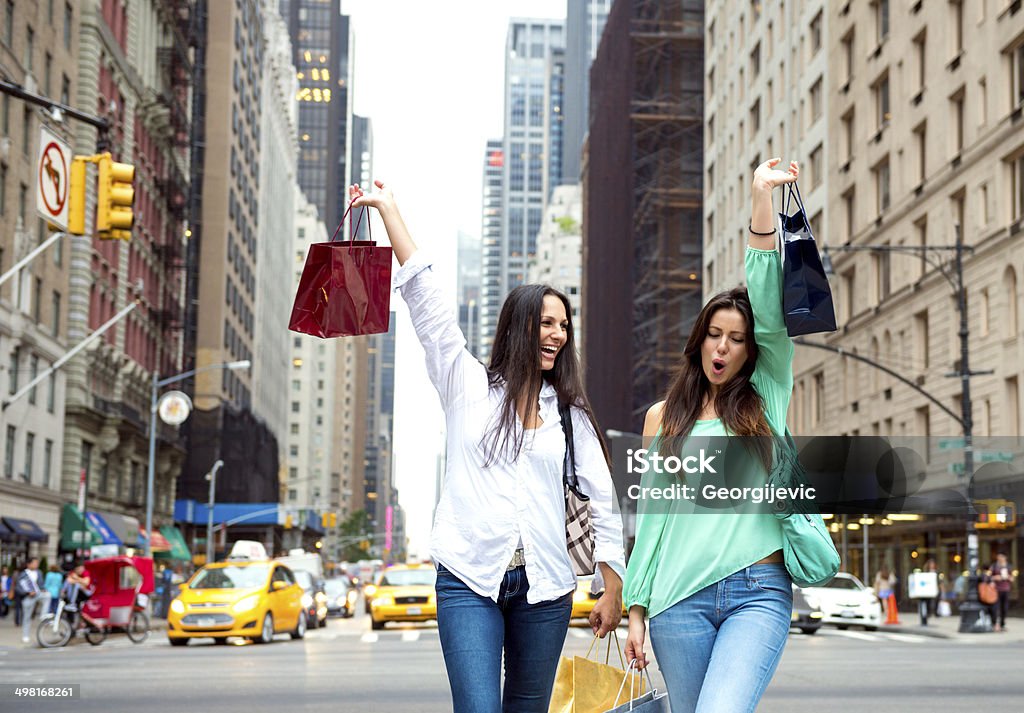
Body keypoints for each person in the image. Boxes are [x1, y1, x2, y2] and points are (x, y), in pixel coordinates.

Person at [349, 181, 626, 713]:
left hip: (546, 588)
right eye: (546, 322)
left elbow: (603, 503)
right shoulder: (466, 383)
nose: (558, 334)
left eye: (564, 326)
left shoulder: (570, 414)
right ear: (519, 325)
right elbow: (424, 301)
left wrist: (611, 586)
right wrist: (389, 210)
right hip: (468, 579)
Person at [623, 158, 800, 713]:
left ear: (753, 350)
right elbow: (653, 521)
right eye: (714, 335)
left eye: (737, 339)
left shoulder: (767, 395)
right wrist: (636, 609)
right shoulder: (663, 419)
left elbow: (769, 304)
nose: (722, 347)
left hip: (757, 592)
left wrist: (760, 200)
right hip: (679, 599)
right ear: (699, 341)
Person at [16, 557, 52, 644]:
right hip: (28, 597)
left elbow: (41, 585)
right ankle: (25, 636)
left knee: (48, 596)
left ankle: (43, 615)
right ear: (29, 564)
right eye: (34, 563)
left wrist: (43, 589)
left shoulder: (39, 572)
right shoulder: (22, 574)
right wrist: (27, 592)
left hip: (38, 594)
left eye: (37, 563)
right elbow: (18, 587)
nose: (36, 564)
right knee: (27, 617)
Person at [990, 553, 1014, 632]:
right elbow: (989, 576)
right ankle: (994, 624)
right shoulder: (994, 566)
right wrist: (995, 578)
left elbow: (1012, 578)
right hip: (996, 590)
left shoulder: (1009, 566)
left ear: (1005, 557)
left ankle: (1002, 624)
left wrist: (1008, 578)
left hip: (1005, 589)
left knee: (1004, 608)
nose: (999, 558)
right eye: (998, 557)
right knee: (995, 608)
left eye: (1001, 557)